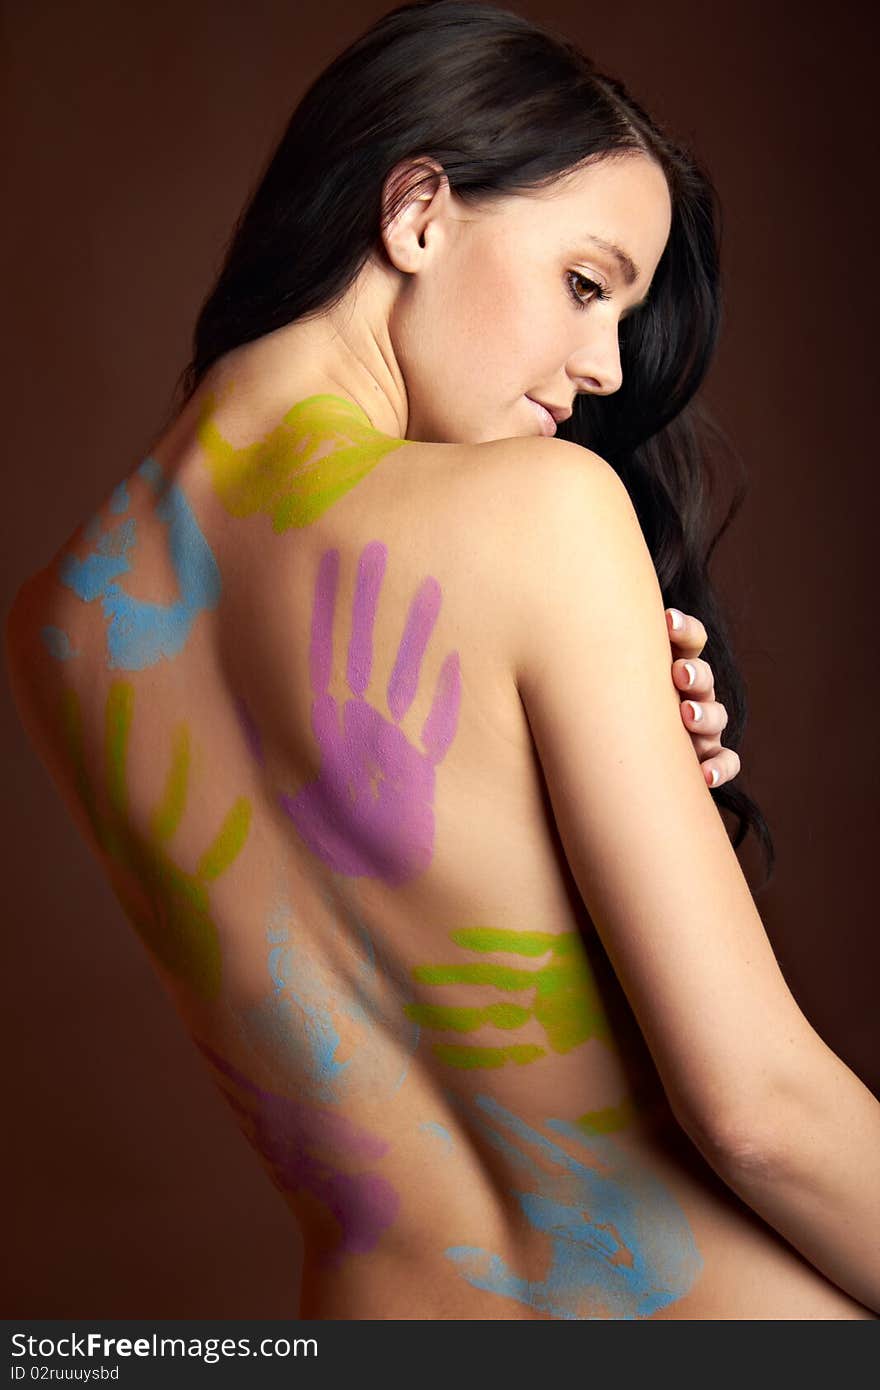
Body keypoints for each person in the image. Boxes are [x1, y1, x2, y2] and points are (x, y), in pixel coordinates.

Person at [5, 0, 878, 1320]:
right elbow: (760, 1110)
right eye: (588, 284)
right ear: (417, 213)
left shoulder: (63, 626)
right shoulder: (543, 512)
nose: (601, 367)